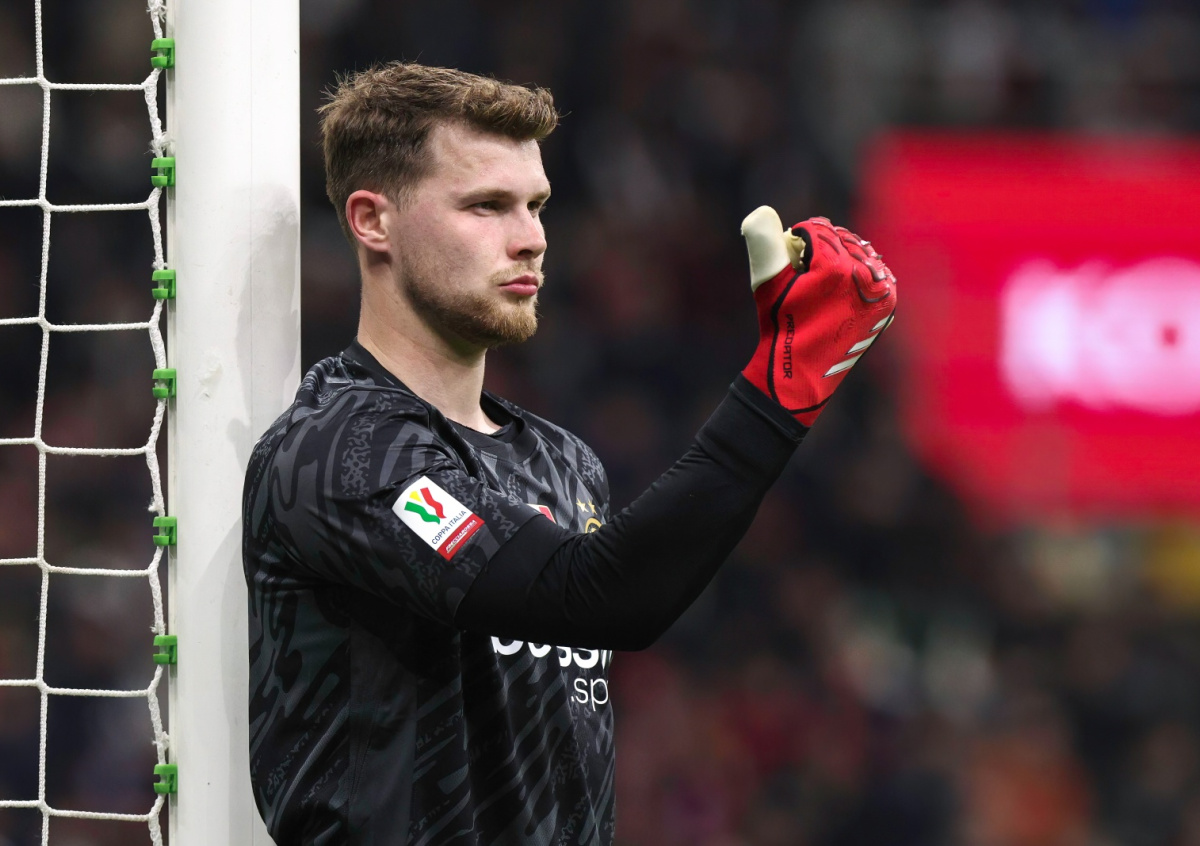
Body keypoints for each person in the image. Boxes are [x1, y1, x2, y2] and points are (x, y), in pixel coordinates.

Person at [242, 62, 896, 845]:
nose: (531, 238)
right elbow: (601, 598)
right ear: (372, 222)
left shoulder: (562, 463)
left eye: (536, 205)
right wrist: (777, 393)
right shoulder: (342, 452)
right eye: (486, 206)